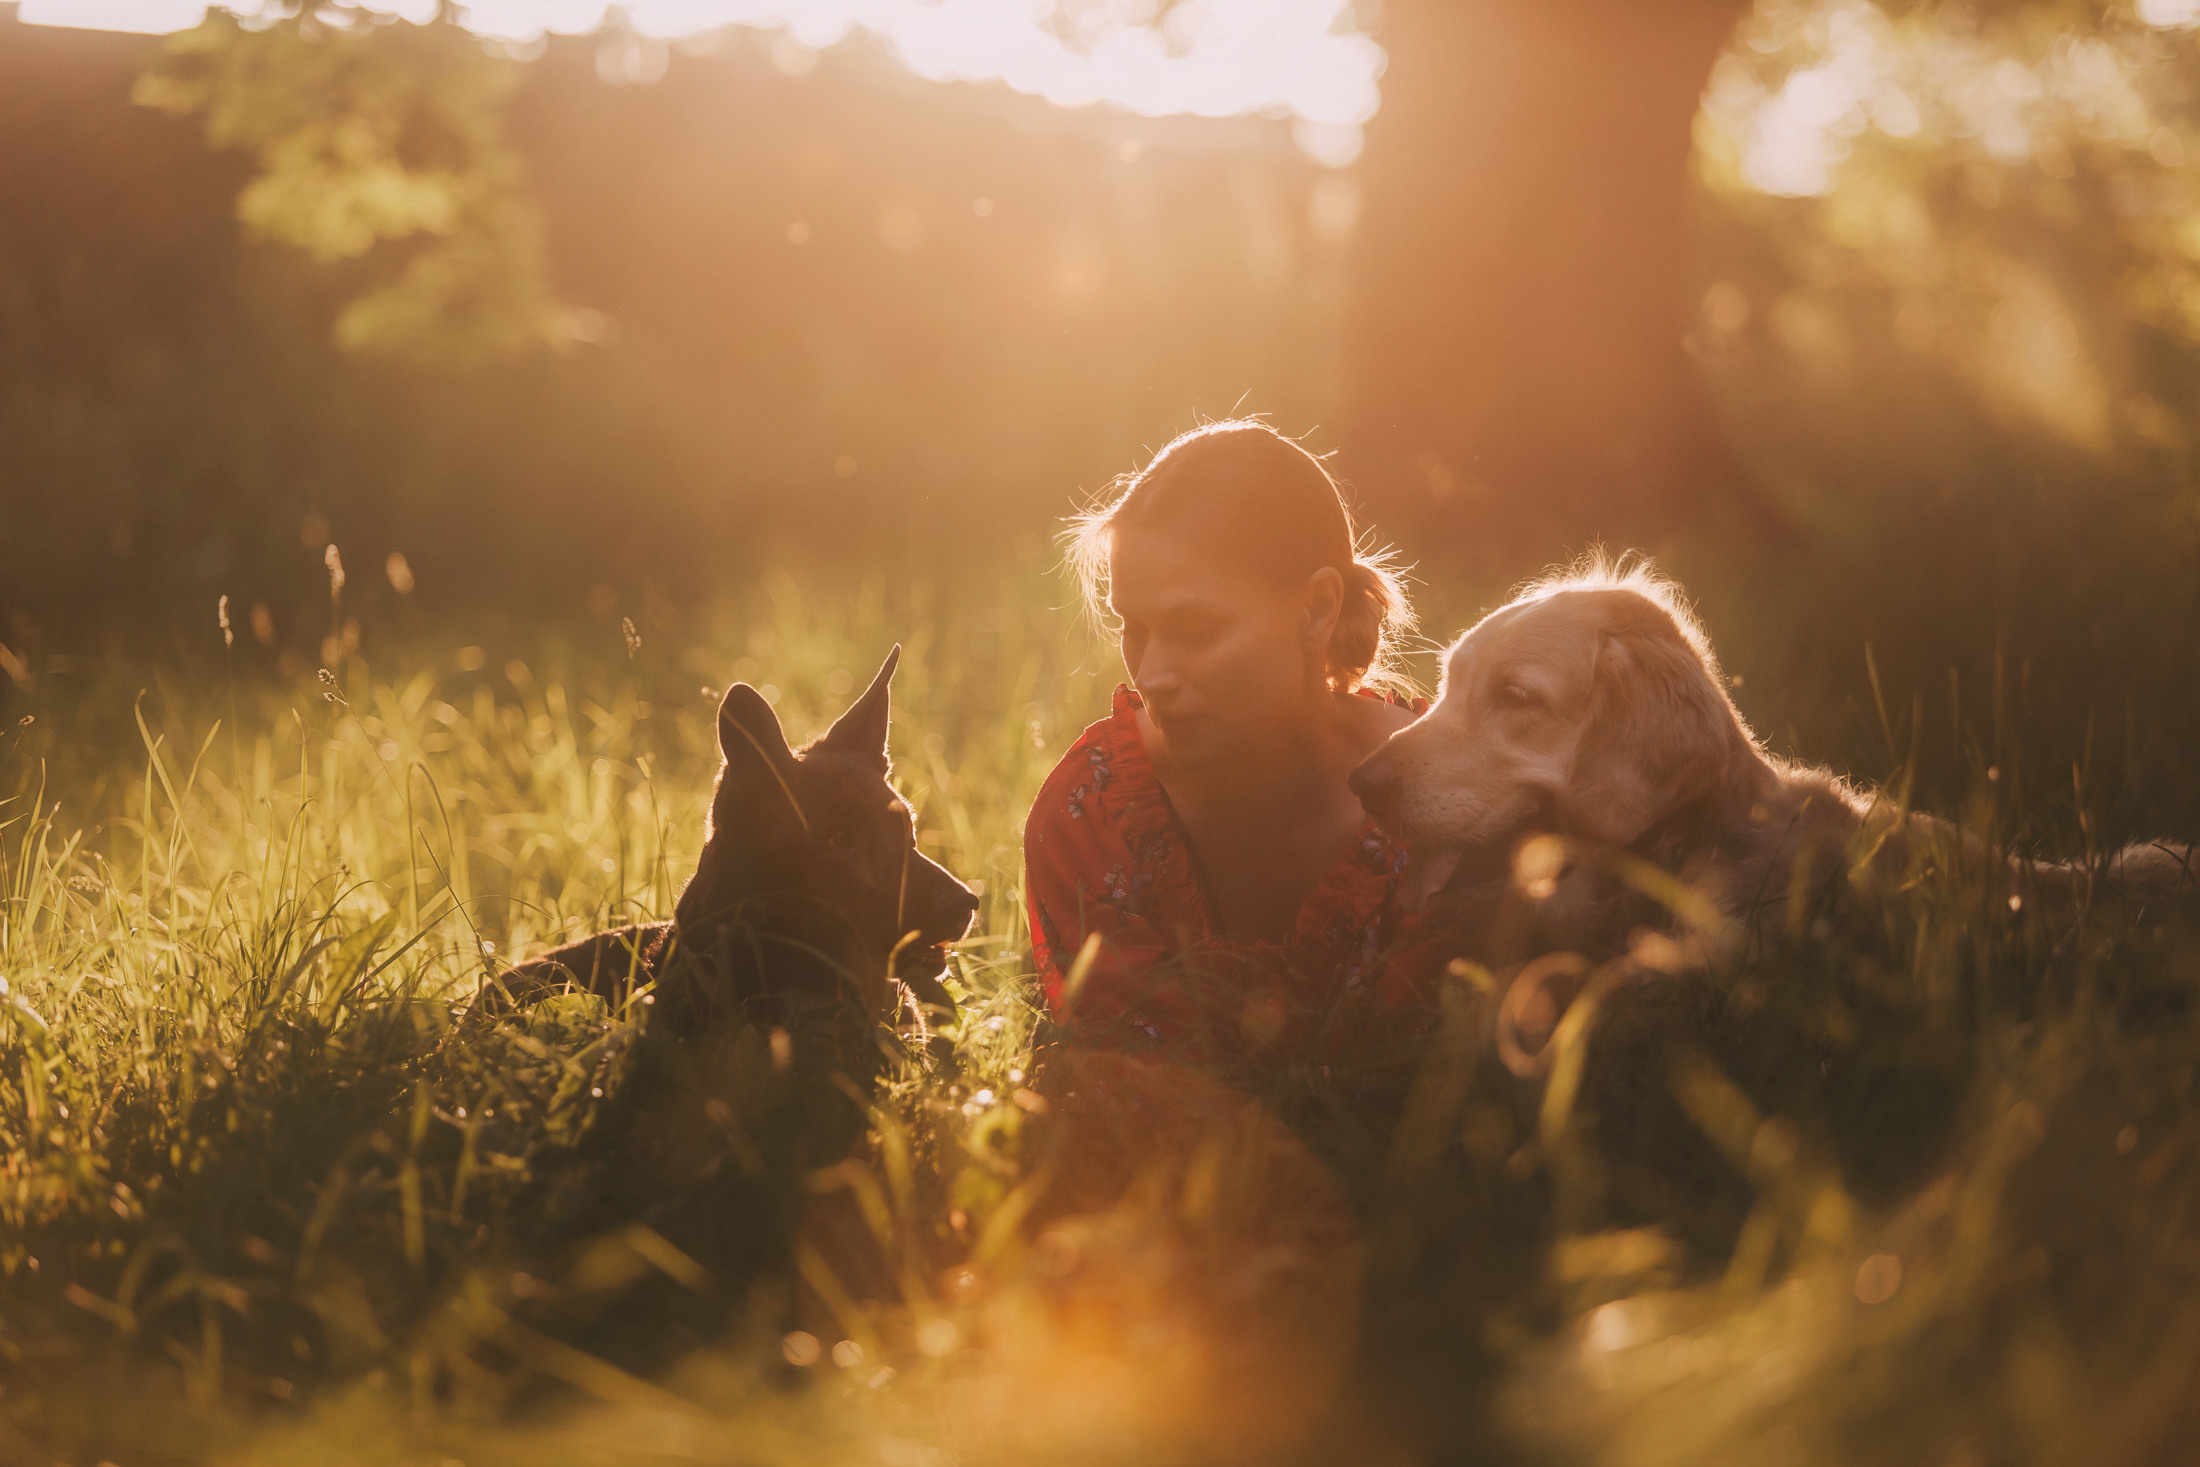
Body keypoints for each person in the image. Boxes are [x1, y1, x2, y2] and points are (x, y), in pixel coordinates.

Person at [1024, 419, 1430, 1057]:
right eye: (1133, 627)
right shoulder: (1092, 818)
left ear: (1318, 609)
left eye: (1196, 629)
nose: (1151, 676)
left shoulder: (1451, 803)